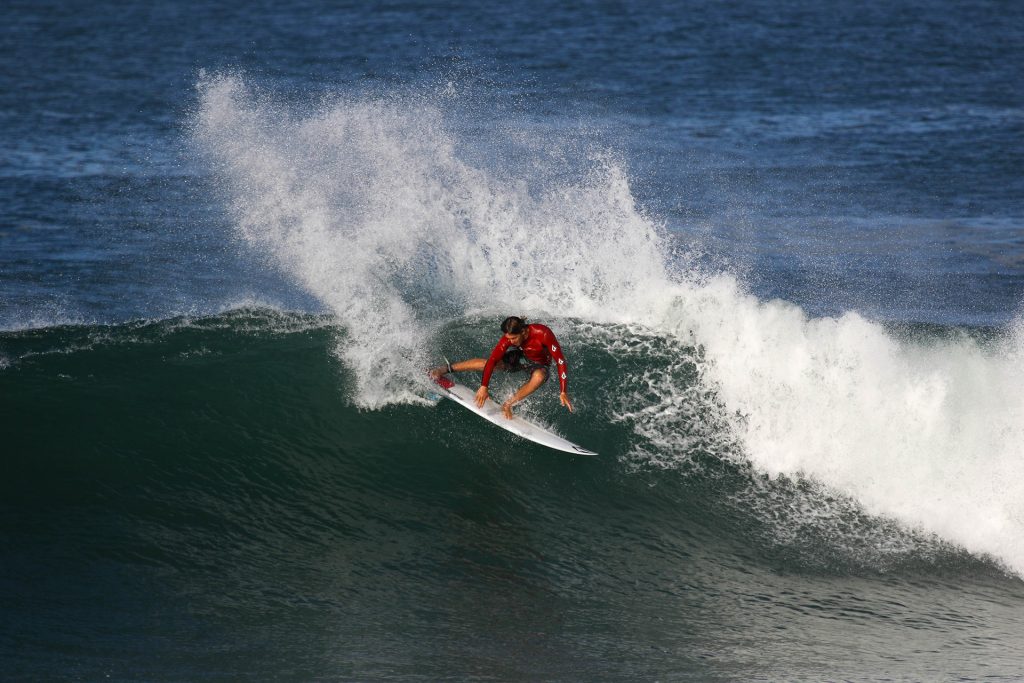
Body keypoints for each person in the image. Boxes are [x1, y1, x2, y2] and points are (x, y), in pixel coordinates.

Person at [431, 316, 574, 419]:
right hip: (521, 356)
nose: (509, 341)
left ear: (523, 332)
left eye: (513, 339)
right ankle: (444, 369)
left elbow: (561, 361)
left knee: (539, 376)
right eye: (508, 338)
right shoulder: (510, 338)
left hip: (540, 364)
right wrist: (484, 386)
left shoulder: (543, 334)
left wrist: (563, 391)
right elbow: (493, 360)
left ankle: (508, 404)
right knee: (489, 363)